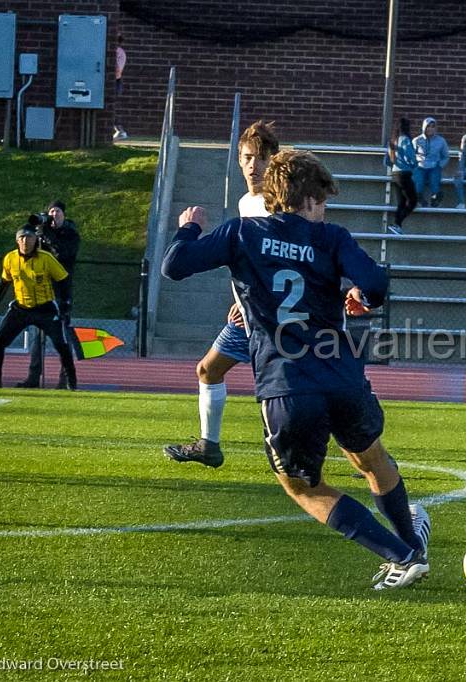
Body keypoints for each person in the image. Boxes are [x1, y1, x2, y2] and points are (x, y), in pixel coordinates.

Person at [161, 149, 431, 591]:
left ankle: (402, 555)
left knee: (303, 486)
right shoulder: (332, 238)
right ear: (306, 199)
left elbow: (174, 266)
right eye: (322, 202)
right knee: (372, 459)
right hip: (342, 376)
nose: (324, 211)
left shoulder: (241, 233)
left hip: (287, 384)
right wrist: (364, 296)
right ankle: (411, 547)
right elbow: (378, 285)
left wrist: (189, 227)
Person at [162, 120, 278, 467]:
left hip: (275, 319)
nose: (252, 166)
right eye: (246, 158)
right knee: (208, 370)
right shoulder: (246, 202)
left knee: (282, 393)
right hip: (248, 315)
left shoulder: (280, 205)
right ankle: (208, 445)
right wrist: (238, 299)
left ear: (273, 160)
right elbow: (247, 262)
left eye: (259, 157)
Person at [0, 224, 77, 390]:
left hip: (45, 309)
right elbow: (4, 283)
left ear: (36, 240)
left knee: (61, 344)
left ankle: (71, 382)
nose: (25, 241)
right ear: (17, 240)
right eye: (22, 237)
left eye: (30, 237)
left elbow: (63, 279)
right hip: (21, 309)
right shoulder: (10, 259)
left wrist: (65, 303)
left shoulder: (46, 258)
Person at [19, 200, 81, 389]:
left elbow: (63, 255)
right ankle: (33, 376)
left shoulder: (71, 234)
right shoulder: (42, 233)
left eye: (57, 211)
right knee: (38, 333)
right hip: (43, 290)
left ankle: (65, 379)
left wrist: (46, 235)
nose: (53, 215)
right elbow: (28, 254)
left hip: (62, 290)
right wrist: (32, 233)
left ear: (64, 214)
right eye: (51, 211)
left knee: (61, 335)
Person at [384, 117, 417, 234]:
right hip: (405, 173)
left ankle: (397, 225)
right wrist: (414, 164)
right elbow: (411, 156)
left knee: (401, 202)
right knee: (413, 200)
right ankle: (397, 223)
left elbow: (387, 161)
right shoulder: (405, 140)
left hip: (395, 173)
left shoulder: (392, 141)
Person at [412, 117, 449, 207]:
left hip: (434, 165)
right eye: (428, 126)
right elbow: (411, 155)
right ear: (424, 127)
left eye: (433, 126)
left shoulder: (441, 141)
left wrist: (440, 165)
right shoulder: (416, 140)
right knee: (418, 180)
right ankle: (419, 197)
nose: (430, 129)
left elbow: (445, 156)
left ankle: (435, 197)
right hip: (420, 165)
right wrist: (414, 165)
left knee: (434, 180)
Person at [113, 35, 128, 141]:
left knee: (111, 106)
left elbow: (118, 71)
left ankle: (120, 130)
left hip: (114, 82)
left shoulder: (118, 52)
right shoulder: (119, 52)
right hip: (115, 81)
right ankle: (119, 130)